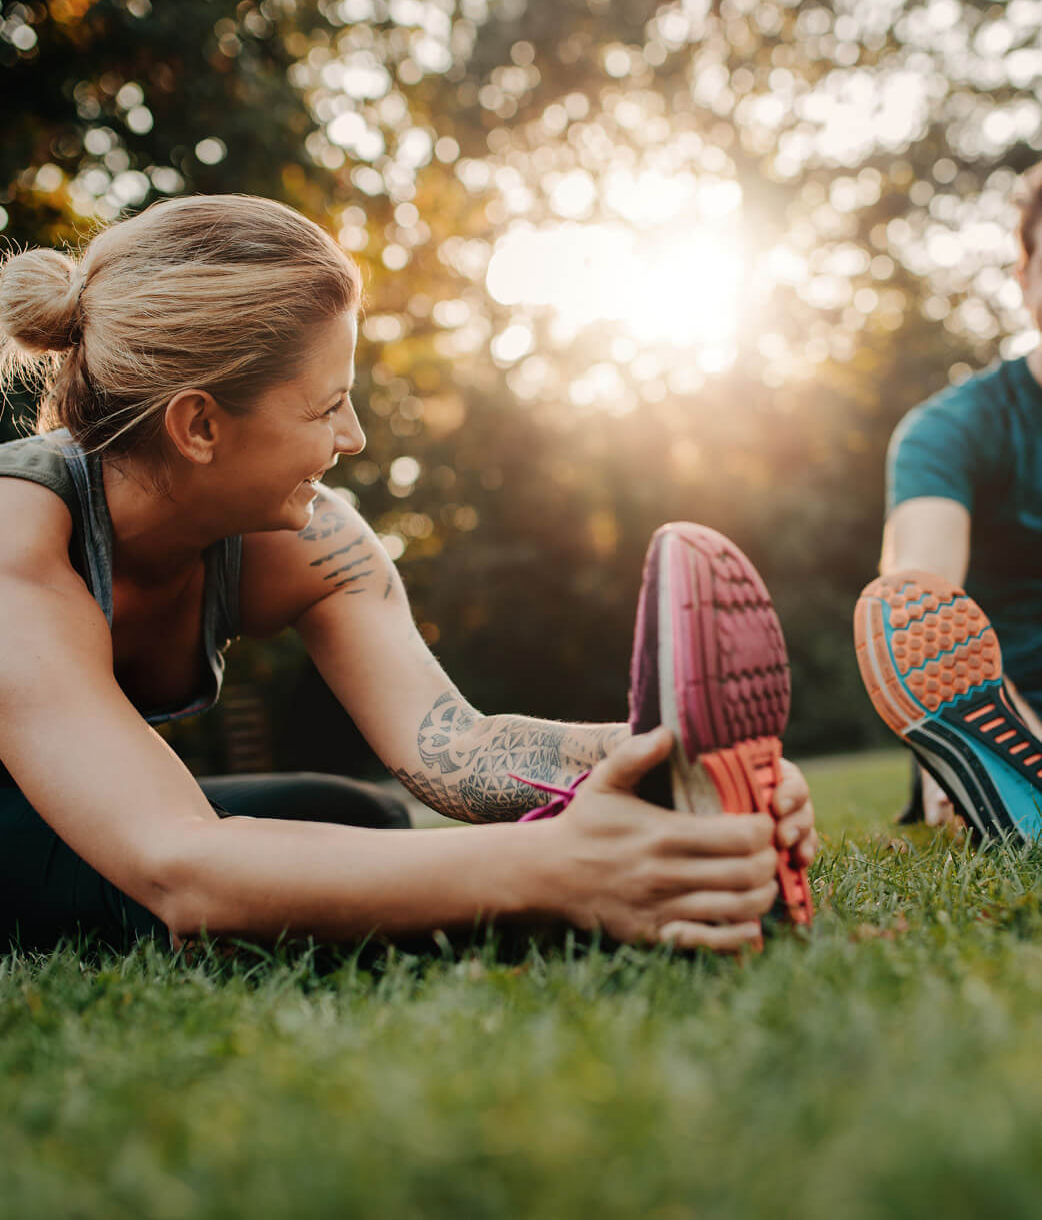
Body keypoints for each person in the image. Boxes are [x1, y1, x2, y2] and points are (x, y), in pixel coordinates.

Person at [0, 194, 816, 954]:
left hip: (80, 816)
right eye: (326, 408)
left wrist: (662, 761)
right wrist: (560, 868)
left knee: (362, 821)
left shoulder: (310, 539)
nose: (352, 438)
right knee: (166, 889)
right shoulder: (19, 536)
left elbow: (453, 749)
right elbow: (181, 863)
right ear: (201, 424)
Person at [876, 162, 1042, 827]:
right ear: (1024, 279)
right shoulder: (948, 432)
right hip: (1008, 708)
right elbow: (920, 613)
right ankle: (982, 765)